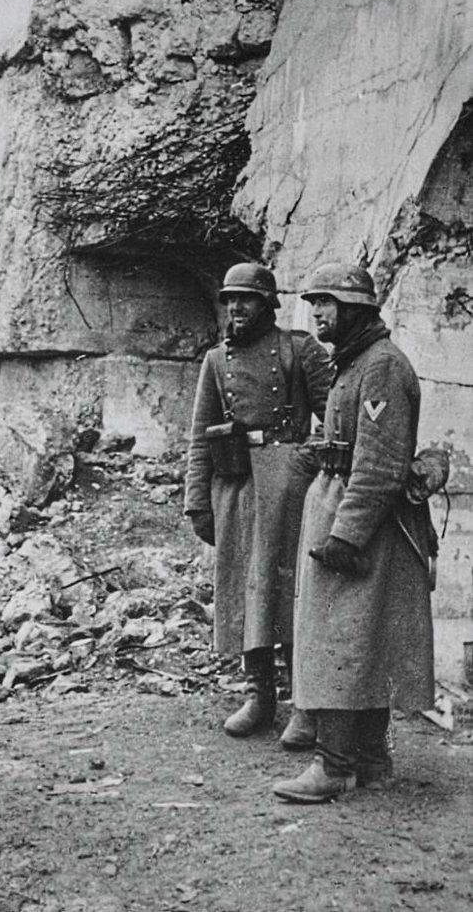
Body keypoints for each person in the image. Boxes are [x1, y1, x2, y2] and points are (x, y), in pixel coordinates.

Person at [273, 263, 435, 803]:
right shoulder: (355, 361)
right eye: (315, 302)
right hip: (341, 502)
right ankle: (369, 760)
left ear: (356, 309)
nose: (317, 312)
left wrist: (347, 535)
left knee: (340, 640)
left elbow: (382, 463)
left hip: (364, 522)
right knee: (355, 640)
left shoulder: (382, 366)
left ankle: (335, 764)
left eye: (329, 303)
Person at [184, 263, 330, 741]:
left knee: (291, 593)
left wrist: (310, 459)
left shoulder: (300, 348)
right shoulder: (215, 361)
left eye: (246, 299)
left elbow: (335, 414)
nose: (236, 308)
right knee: (248, 591)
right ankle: (259, 694)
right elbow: (200, 435)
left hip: (290, 487)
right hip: (236, 486)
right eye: (229, 299)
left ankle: (305, 704)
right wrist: (197, 501)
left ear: (269, 304)